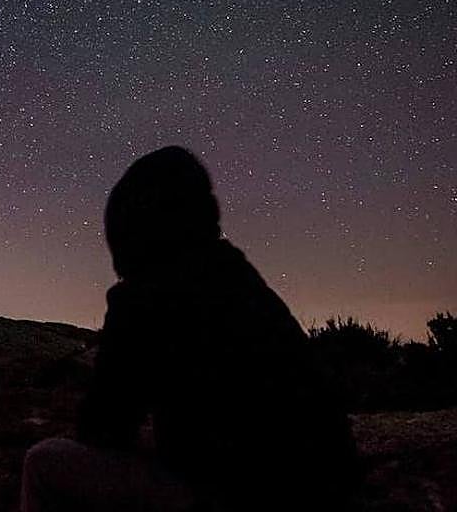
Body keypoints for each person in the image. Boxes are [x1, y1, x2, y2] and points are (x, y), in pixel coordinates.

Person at [21, 146, 359, 511]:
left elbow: (104, 427)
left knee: (43, 464)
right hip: (323, 488)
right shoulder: (239, 277)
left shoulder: (144, 297)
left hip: (234, 494)